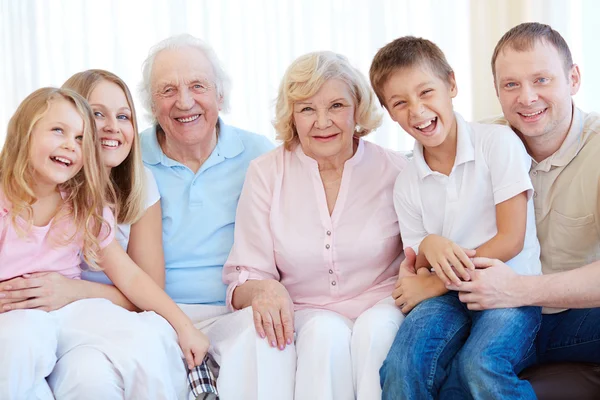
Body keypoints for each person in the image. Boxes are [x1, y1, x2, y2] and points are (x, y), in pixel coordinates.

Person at [0, 87, 209, 400]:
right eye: (59, 131)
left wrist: (184, 326)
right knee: (20, 344)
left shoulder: (81, 206)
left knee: (145, 336)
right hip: (15, 314)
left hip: (69, 311)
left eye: (82, 138)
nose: (70, 145)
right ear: (24, 133)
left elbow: (132, 276)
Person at [222, 51, 407, 400]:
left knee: (377, 332)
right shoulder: (266, 173)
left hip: (382, 303)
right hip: (307, 311)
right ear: (292, 116)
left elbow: (420, 254)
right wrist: (264, 290)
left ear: (357, 110)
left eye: (336, 106)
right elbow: (244, 275)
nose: (322, 122)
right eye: (307, 108)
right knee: (325, 335)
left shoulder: (396, 170)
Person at [369, 36, 541, 399]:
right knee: (401, 367)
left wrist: (434, 282)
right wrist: (431, 245)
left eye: (426, 92)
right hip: (447, 300)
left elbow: (511, 240)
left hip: (509, 289)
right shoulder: (406, 181)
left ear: (451, 84)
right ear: (388, 111)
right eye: (400, 103)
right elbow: (419, 262)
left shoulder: (498, 143)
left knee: (480, 363)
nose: (417, 111)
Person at [449, 22, 600, 368]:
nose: (527, 97)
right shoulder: (479, 144)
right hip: (497, 316)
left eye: (542, 80)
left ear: (573, 79)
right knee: (454, 369)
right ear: (497, 91)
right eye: (511, 85)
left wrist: (519, 289)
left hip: (580, 316)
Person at [138, 34, 279, 400]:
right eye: (168, 90)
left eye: (197, 86)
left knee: (269, 343)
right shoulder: (129, 157)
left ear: (220, 94)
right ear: (152, 104)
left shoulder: (258, 153)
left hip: (234, 308)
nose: (184, 102)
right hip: (156, 312)